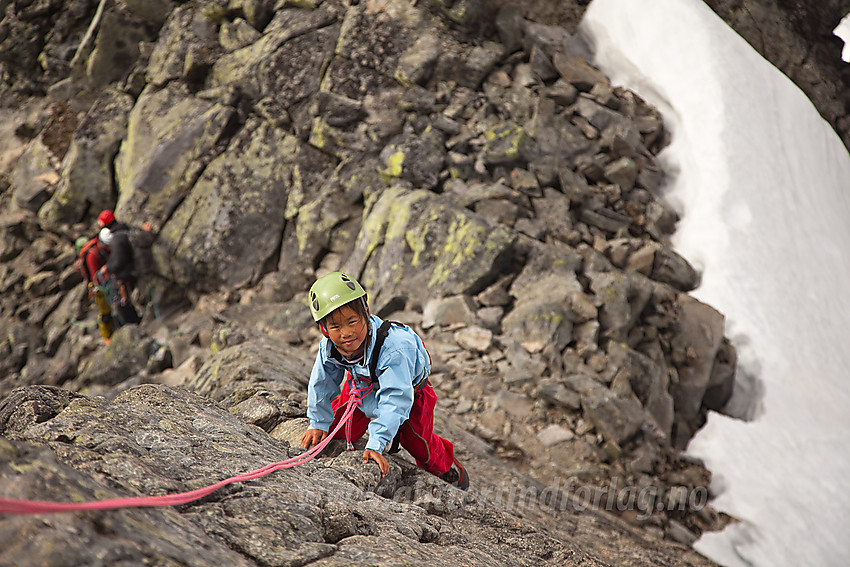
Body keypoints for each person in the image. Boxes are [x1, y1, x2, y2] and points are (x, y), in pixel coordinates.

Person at [300, 271, 469, 489]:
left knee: (419, 445)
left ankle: (448, 467)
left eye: (352, 321)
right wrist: (318, 421)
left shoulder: (394, 348)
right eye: (335, 326)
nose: (346, 333)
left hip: (411, 392)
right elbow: (321, 382)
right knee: (336, 430)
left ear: (366, 313)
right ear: (324, 329)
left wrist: (376, 444)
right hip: (362, 385)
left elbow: (396, 398)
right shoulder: (330, 347)